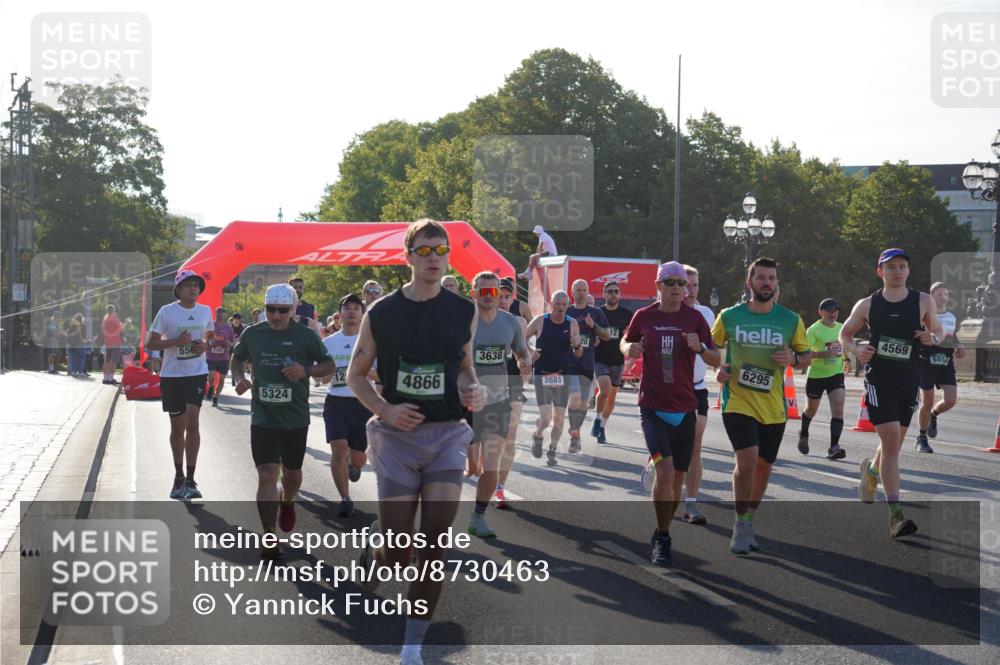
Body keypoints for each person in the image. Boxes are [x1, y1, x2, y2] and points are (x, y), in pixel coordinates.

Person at [347, 219, 485, 665]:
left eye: (439, 249)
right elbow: (355, 376)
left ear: (448, 255)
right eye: (423, 250)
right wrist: (385, 410)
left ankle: (411, 647)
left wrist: (474, 391)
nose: (433, 257)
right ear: (407, 258)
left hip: (446, 433)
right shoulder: (381, 313)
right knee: (398, 552)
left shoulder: (462, 311)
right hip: (396, 440)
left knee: (434, 540)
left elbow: (465, 369)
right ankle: (378, 549)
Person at [712, 258, 812, 554]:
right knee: (747, 460)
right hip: (738, 402)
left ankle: (749, 518)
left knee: (764, 466)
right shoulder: (729, 316)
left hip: (773, 407)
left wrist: (793, 360)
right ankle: (740, 523)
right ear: (749, 282)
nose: (766, 283)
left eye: (771, 278)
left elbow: (806, 357)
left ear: (776, 284)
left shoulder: (791, 319)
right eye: (761, 278)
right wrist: (719, 369)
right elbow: (712, 349)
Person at [840, 249, 942, 539]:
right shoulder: (868, 304)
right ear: (880, 272)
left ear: (908, 271)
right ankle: (895, 516)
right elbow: (845, 334)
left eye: (902, 266)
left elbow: (938, 331)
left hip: (908, 381)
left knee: (893, 444)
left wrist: (932, 337)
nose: (897, 271)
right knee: (893, 447)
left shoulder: (923, 300)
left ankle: (871, 472)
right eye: (891, 267)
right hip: (878, 382)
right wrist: (857, 350)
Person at [623, 261, 720, 566]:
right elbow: (625, 341)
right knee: (665, 473)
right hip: (652, 406)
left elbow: (717, 359)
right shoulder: (644, 315)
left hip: (685, 407)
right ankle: (663, 536)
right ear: (659, 286)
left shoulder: (695, 319)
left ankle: (663, 526)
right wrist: (630, 350)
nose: (679, 288)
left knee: (677, 477)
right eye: (672, 283)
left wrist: (700, 348)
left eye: (683, 283)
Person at [232, 284, 335, 559]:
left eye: (282, 310)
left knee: (291, 474)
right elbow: (237, 358)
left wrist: (306, 370)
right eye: (270, 310)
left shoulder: (305, 335)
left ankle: (287, 501)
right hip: (263, 416)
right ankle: (268, 537)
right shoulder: (252, 333)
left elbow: (329, 365)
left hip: (295, 418)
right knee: (267, 473)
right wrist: (239, 377)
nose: (275, 316)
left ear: (293, 310)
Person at [466, 272, 531, 537]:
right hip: (464, 401)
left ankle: (477, 517)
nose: (489, 296)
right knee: (455, 465)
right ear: (473, 294)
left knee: (491, 464)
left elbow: (521, 349)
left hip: (497, 400)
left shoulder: (510, 322)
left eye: (494, 291)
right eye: (483, 291)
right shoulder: (462, 323)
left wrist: (524, 361)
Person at [147, 270, 215, 500]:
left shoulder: (205, 311)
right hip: (172, 376)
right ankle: (178, 477)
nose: (193, 288)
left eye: (196, 285)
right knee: (178, 428)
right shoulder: (167, 312)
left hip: (197, 373)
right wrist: (178, 342)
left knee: (193, 423)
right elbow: (151, 342)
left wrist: (205, 346)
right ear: (178, 289)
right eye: (188, 285)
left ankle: (191, 478)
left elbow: (212, 335)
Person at [321, 293, 373, 518]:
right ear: (340, 314)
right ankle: (344, 498)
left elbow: (380, 375)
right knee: (338, 447)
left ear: (362, 314)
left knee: (359, 457)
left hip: (362, 402)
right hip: (336, 402)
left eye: (356, 308)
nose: (351, 311)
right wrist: (327, 373)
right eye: (347, 308)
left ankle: (355, 464)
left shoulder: (371, 341)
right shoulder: (328, 343)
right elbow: (322, 378)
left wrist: (359, 371)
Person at [525, 291, 583, 466]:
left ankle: (552, 450)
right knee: (546, 417)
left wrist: (577, 345)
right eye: (557, 303)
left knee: (559, 417)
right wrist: (530, 351)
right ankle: (538, 435)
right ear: (551, 304)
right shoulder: (540, 321)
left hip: (562, 374)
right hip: (542, 373)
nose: (560, 307)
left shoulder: (572, 324)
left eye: (564, 304)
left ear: (567, 306)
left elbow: (579, 353)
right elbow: (522, 339)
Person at [680, 264, 716, 524]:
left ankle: (691, 503)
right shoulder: (660, 315)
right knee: (669, 453)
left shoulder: (706, 314)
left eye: (695, 285)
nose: (690, 290)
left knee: (694, 446)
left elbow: (715, 351)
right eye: (686, 285)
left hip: (697, 388)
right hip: (668, 391)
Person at [914, 281, 966, 453]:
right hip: (926, 362)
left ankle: (933, 416)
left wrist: (960, 345)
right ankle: (921, 437)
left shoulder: (952, 317)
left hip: (945, 361)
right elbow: (914, 335)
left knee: (950, 400)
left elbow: (952, 334)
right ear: (931, 297)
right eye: (939, 294)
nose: (943, 297)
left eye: (945, 294)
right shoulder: (924, 317)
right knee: (927, 401)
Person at [496, 277, 531, 507]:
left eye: (507, 296)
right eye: (500, 295)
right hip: (487, 383)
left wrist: (525, 363)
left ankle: (499, 487)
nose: (503, 299)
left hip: (513, 381)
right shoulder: (481, 321)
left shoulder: (518, 322)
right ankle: (486, 475)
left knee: (510, 435)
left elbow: (523, 352)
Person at [798, 298, 847, 459]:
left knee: (838, 408)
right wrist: (825, 354)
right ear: (821, 312)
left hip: (835, 374)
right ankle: (804, 433)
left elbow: (844, 346)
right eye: (829, 310)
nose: (833, 314)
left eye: (836, 310)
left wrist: (846, 360)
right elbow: (805, 355)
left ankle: (834, 447)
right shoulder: (813, 330)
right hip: (816, 376)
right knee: (811, 410)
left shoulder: (841, 328)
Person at [565, 279, 610, 453]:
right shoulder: (566, 311)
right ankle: (574, 435)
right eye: (578, 290)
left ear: (588, 292)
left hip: (586, 363)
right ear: (572, 292)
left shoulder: (596, 313)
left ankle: (576, 431)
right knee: (575, 396)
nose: (582, 292)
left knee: (583, 402)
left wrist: (594, 326)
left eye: (585, 290)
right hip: (568, 363)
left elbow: (606, 336)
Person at [592, 281, 634, 444]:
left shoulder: (627, 314)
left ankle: (602, 426)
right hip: (599, 358)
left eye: (616, 291)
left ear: (620, 294)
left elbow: (634, 335)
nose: (613, 294)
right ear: (604, 294)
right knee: (605, 388)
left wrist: (630, 353)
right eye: (610, 291)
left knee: (611, 396)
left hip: (617, 359)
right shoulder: (598, 313)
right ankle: (596, 419)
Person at [206, 307, 236, 407]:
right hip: (211, 356)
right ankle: (210, 387)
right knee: (211, 375)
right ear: (215, 314)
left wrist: (229, 343)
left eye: (222, 313)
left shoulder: (229, 328)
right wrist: (210, 342)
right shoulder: (211, 326)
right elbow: (205, 338)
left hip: (223, 358)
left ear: (225, 315)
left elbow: (233, 343)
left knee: (222, 380)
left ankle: (216, 397)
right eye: (218, 313)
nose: (220, 314)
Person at [101, 304, 123, 385]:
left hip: (107, 342)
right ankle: (111, 378)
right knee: (113, 361)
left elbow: (103, 330)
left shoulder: (105, 319)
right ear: (113, 310)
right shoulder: (115, 319)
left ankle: (105, 378)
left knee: (107, 360)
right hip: (115, 342)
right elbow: (120, 329)